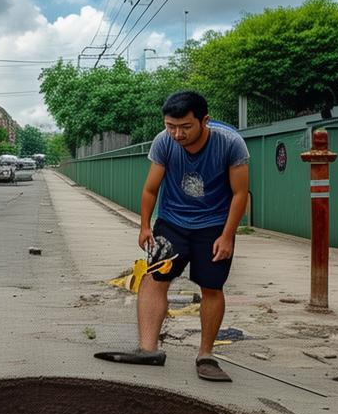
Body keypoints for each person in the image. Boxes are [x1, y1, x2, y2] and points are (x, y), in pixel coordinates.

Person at [95, 90, 250, 382]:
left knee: (212, 287)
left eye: (185, 127)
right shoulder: (164, 142)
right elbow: (150, 188)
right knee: (154, 279)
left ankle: (205, 355)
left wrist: (228, 235)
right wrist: (144, 226)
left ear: (204, 121)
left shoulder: (230, 144)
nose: (177, 134)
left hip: (214, 225)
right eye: (170, 126)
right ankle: (148, 349)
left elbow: (240, 194)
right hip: (172, 223)